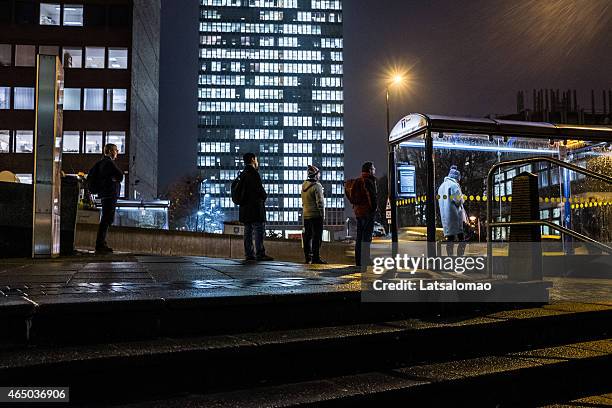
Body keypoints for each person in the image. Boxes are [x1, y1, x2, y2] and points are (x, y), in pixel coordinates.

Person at [239, 153, 274, 262]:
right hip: (255, 208)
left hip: (245, 208)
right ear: (253, 159)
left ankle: (249, 254)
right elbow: (259, 189)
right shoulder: (253, 173)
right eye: (256, 160)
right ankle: (260, 253)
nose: (257, 162)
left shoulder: (243, 173)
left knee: (248, 231)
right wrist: (264, 196)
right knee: (258, 229)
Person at [91, 143, 123, 254]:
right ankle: (100, 244)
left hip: (105, 194)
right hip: (110, 194)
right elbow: (120, 175)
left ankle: (101, 243)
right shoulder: (108, 162)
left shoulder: (101, 163)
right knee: (106, 219)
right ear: (109, 151)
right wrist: (114, 179)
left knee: (106, 218)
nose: (117, 152)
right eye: (115, 150)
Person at [437, 165, 467, 256]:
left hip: (446, 217)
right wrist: (463, 197)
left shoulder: (441, 186)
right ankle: (459, 257)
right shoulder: (454, 185)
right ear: (456, 177)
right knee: (461, 239)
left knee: (450, 240)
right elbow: (458, 201)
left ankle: (450, 258)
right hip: (455, 216)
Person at [353, 161, 378, 268]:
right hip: (367, 212)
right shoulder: (369, 181)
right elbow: (372, 198)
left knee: (359, 238)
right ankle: (365, 260)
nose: (375, 170)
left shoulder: (358, 181)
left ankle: (359, 261)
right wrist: (374, 210)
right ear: (369, 170)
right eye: (373, 168)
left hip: (358, 212)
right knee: (366, 238)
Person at [301, 164, 326, 264]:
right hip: (316, 215)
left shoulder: (304, 185)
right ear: (316, 175)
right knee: (317, 237)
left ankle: (308, 257)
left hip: (306, 214)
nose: (319, 176)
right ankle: (316, 258)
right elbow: (320, 202)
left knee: (307, 236)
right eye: (318, 174)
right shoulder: (317, 186)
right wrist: (322, 214)